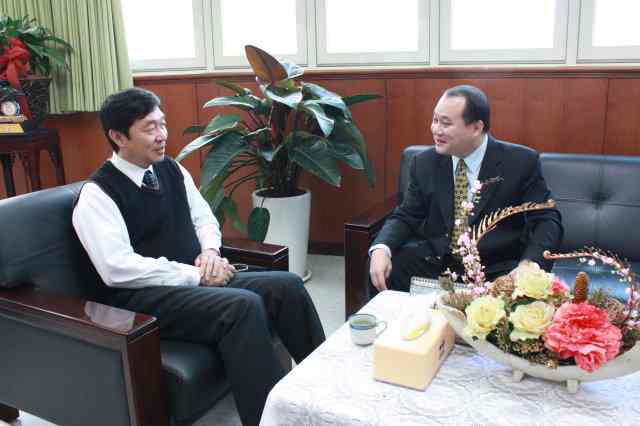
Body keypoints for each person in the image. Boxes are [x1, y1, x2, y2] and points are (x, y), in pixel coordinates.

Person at [72, 87, 325, 426]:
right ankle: (268, 421)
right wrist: (195, 275)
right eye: (149, 128)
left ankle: (325, 394)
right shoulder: (97, 195)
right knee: (242, 306)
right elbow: (116, 269)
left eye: (162, 124)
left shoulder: (171, 169)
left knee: (288, 286)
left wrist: (210, 253)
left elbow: (204, 218)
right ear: (118, 137)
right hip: (140, 300)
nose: (162, 135)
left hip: (192, 282)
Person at [369, 85, 563, 293]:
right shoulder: (424, 163)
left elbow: (547, 219)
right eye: (435, 120)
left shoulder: (520, 162)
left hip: (496, 270)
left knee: (528, 289)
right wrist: (382, 248)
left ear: (476, 127)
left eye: (446, 123)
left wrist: (529, 264)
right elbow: (406, 215)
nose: (436, 130)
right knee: (383, 267)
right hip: (436, 264)